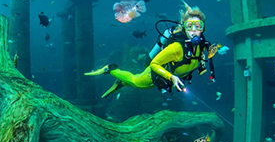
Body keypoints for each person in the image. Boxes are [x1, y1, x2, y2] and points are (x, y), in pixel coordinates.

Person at [88, 7, 220, 98]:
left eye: (198, 26)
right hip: (156, 74)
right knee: (136, 82)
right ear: (184, 28)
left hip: (169, 77)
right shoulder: (176, 47)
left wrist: (202, 65)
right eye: (189, 26)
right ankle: (110, 69)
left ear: (203, 29)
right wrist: (172, 77)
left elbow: (198, 59)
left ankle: (121, 82)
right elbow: (154, 64)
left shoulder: (202, 45)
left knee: (137, 83)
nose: (194, 30)